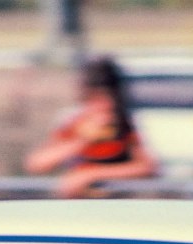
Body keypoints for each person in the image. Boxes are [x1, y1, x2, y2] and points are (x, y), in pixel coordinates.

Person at [24, 56, 157, 199]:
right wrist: (83, 140)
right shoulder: (73, 123)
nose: (103, 105)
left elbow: (147, 167)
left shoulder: (125, 124)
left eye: (108, 98)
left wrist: (91, 174)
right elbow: (36, 164)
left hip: (115, 203)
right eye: (95, 98)